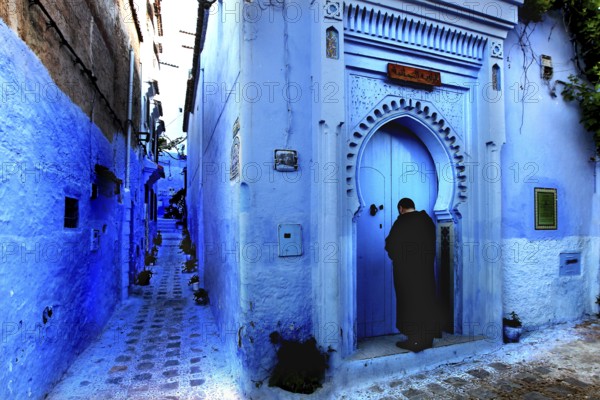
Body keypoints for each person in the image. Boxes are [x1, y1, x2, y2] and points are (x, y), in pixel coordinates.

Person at [385, 198, 440, 352]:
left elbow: (390, 245)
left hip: (406, 274)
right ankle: (427, 339)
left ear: (401, 208)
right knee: (426, 301)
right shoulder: (427, 221)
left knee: (409, 303)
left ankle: (414, 341)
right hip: (425, 272)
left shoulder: (401, 223)